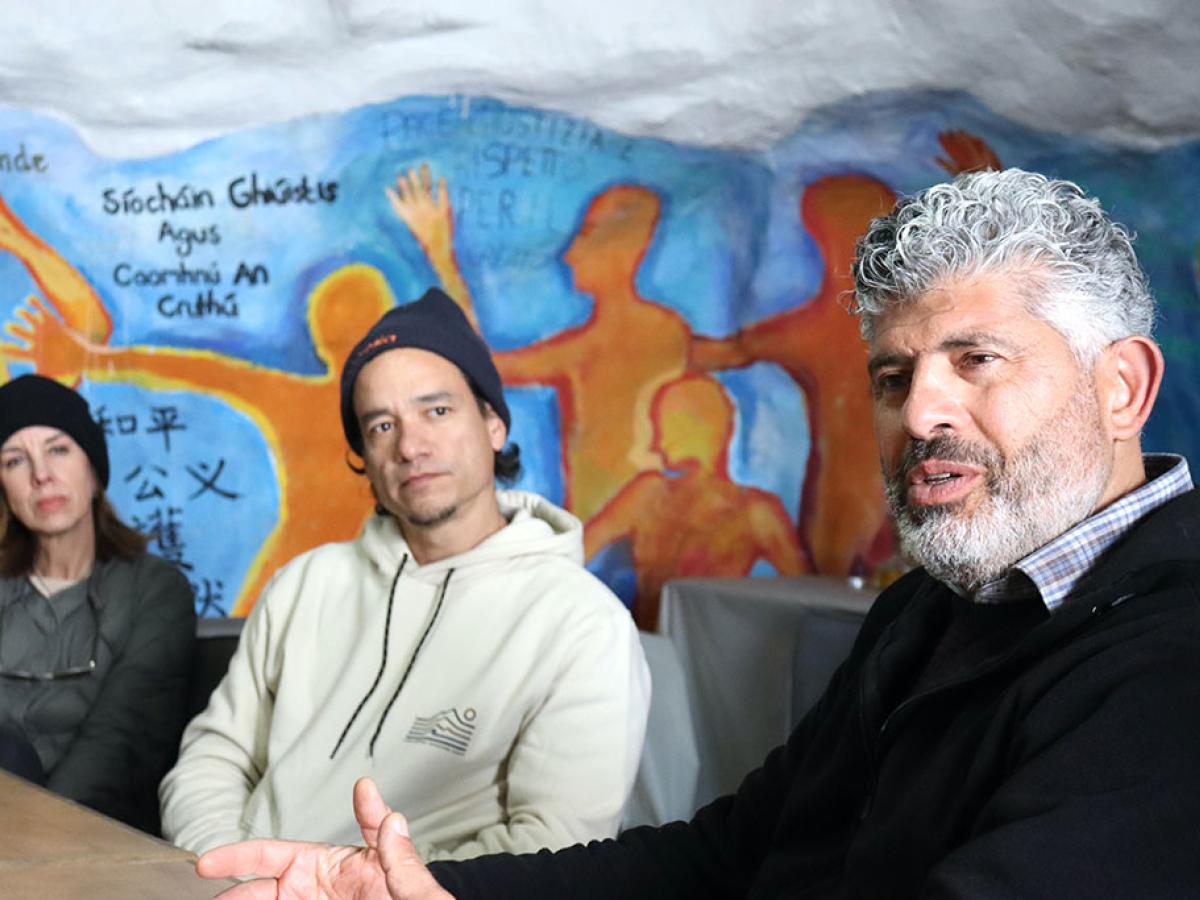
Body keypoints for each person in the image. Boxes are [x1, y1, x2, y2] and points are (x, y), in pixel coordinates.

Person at [197, 168, 1200, 897]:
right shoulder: (931, 613)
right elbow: (728, 852)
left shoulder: (1170, 661)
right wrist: (427, 894)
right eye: (892, 378)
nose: (919, 413)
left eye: (975, 358)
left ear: (1122, 387)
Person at [160, 287, 650, 861]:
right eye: (381, 426)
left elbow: (551, 846)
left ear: (493, 423)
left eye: (436, 411)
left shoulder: (584, 625)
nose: (411, 446)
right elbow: (213, 759)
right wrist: (231, 868)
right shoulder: (303, 585)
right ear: (363, 456)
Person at [0, 374, 194, 833]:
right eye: (14, 460)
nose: (41, 474)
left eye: (58, 449)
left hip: (96, 835)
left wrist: (34, 840)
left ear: (93, 467)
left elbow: (119, 740)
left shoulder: (156, 590)